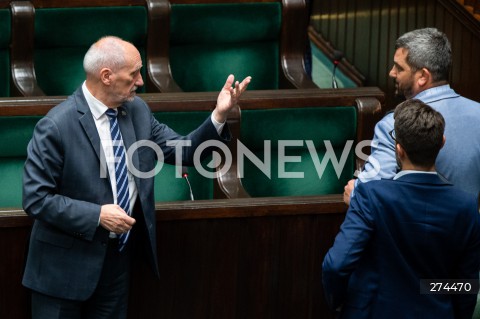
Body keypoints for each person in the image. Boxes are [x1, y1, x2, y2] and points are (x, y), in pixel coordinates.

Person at [21, 36, 251, 319]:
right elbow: (36, 199)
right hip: (62, 272)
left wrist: (218, 115)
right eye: (134, 73)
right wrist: (96, 215)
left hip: (116, 266)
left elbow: (185, 152)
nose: (141, 81)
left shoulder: (137, 111)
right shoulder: (56, 125)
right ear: (107, 76)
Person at [323, 99, 480, 319]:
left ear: (399, 150)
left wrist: (341, 302)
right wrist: (435, 296)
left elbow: (336, 265)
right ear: (442, 142)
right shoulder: (466, 206)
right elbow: (466, 285)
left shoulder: (371, 195)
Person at [343, 27, 480, 205]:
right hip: (468, 229)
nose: (392, 73)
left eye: (399, 68)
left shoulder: (395, 123)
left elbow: (369, 197)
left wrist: (353, 193)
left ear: (423, 76)